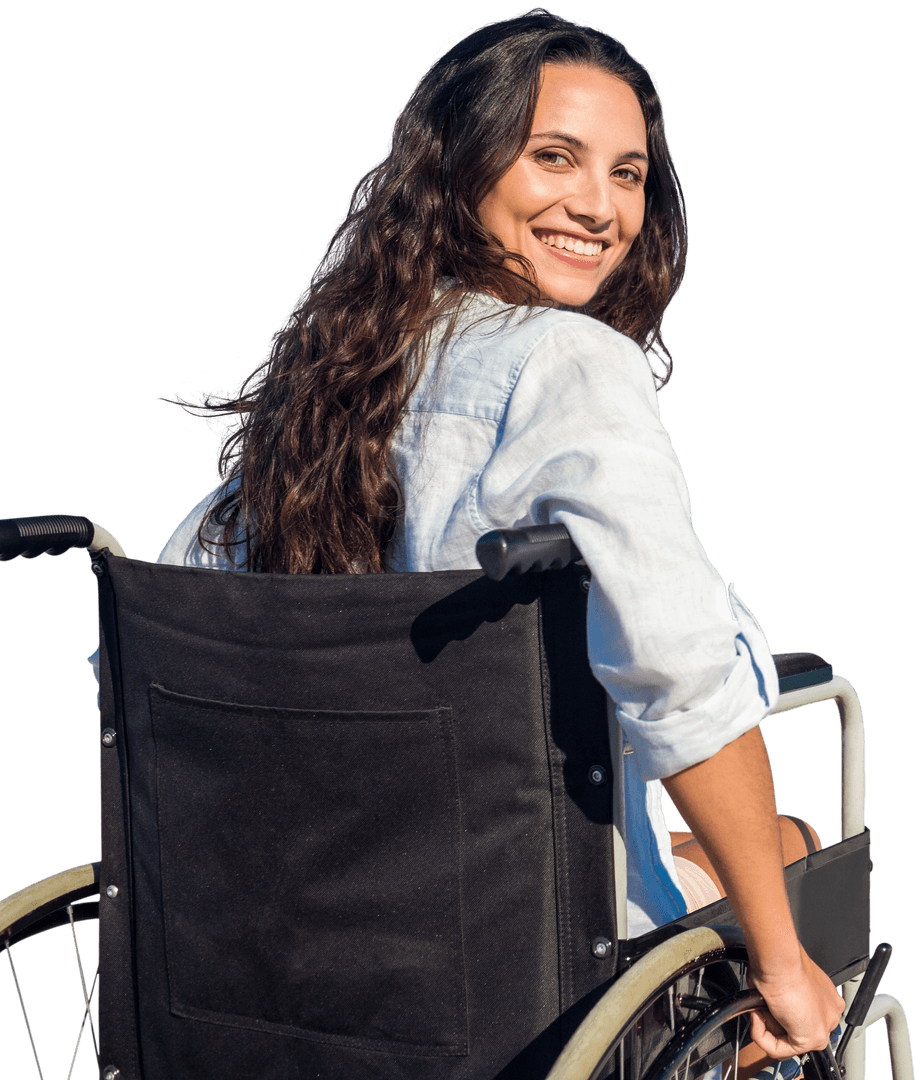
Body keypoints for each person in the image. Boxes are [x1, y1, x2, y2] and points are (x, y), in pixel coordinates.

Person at [154, 9, 844, 1076]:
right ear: (460, 165)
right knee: (804, 855)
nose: (600, 207)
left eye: (628, 174)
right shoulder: (571, 363)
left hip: (305, 937)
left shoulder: (333, 378)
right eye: (554, 157)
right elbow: (679, 676)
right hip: (524, 954)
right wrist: (785, 964)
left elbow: (180, 622)